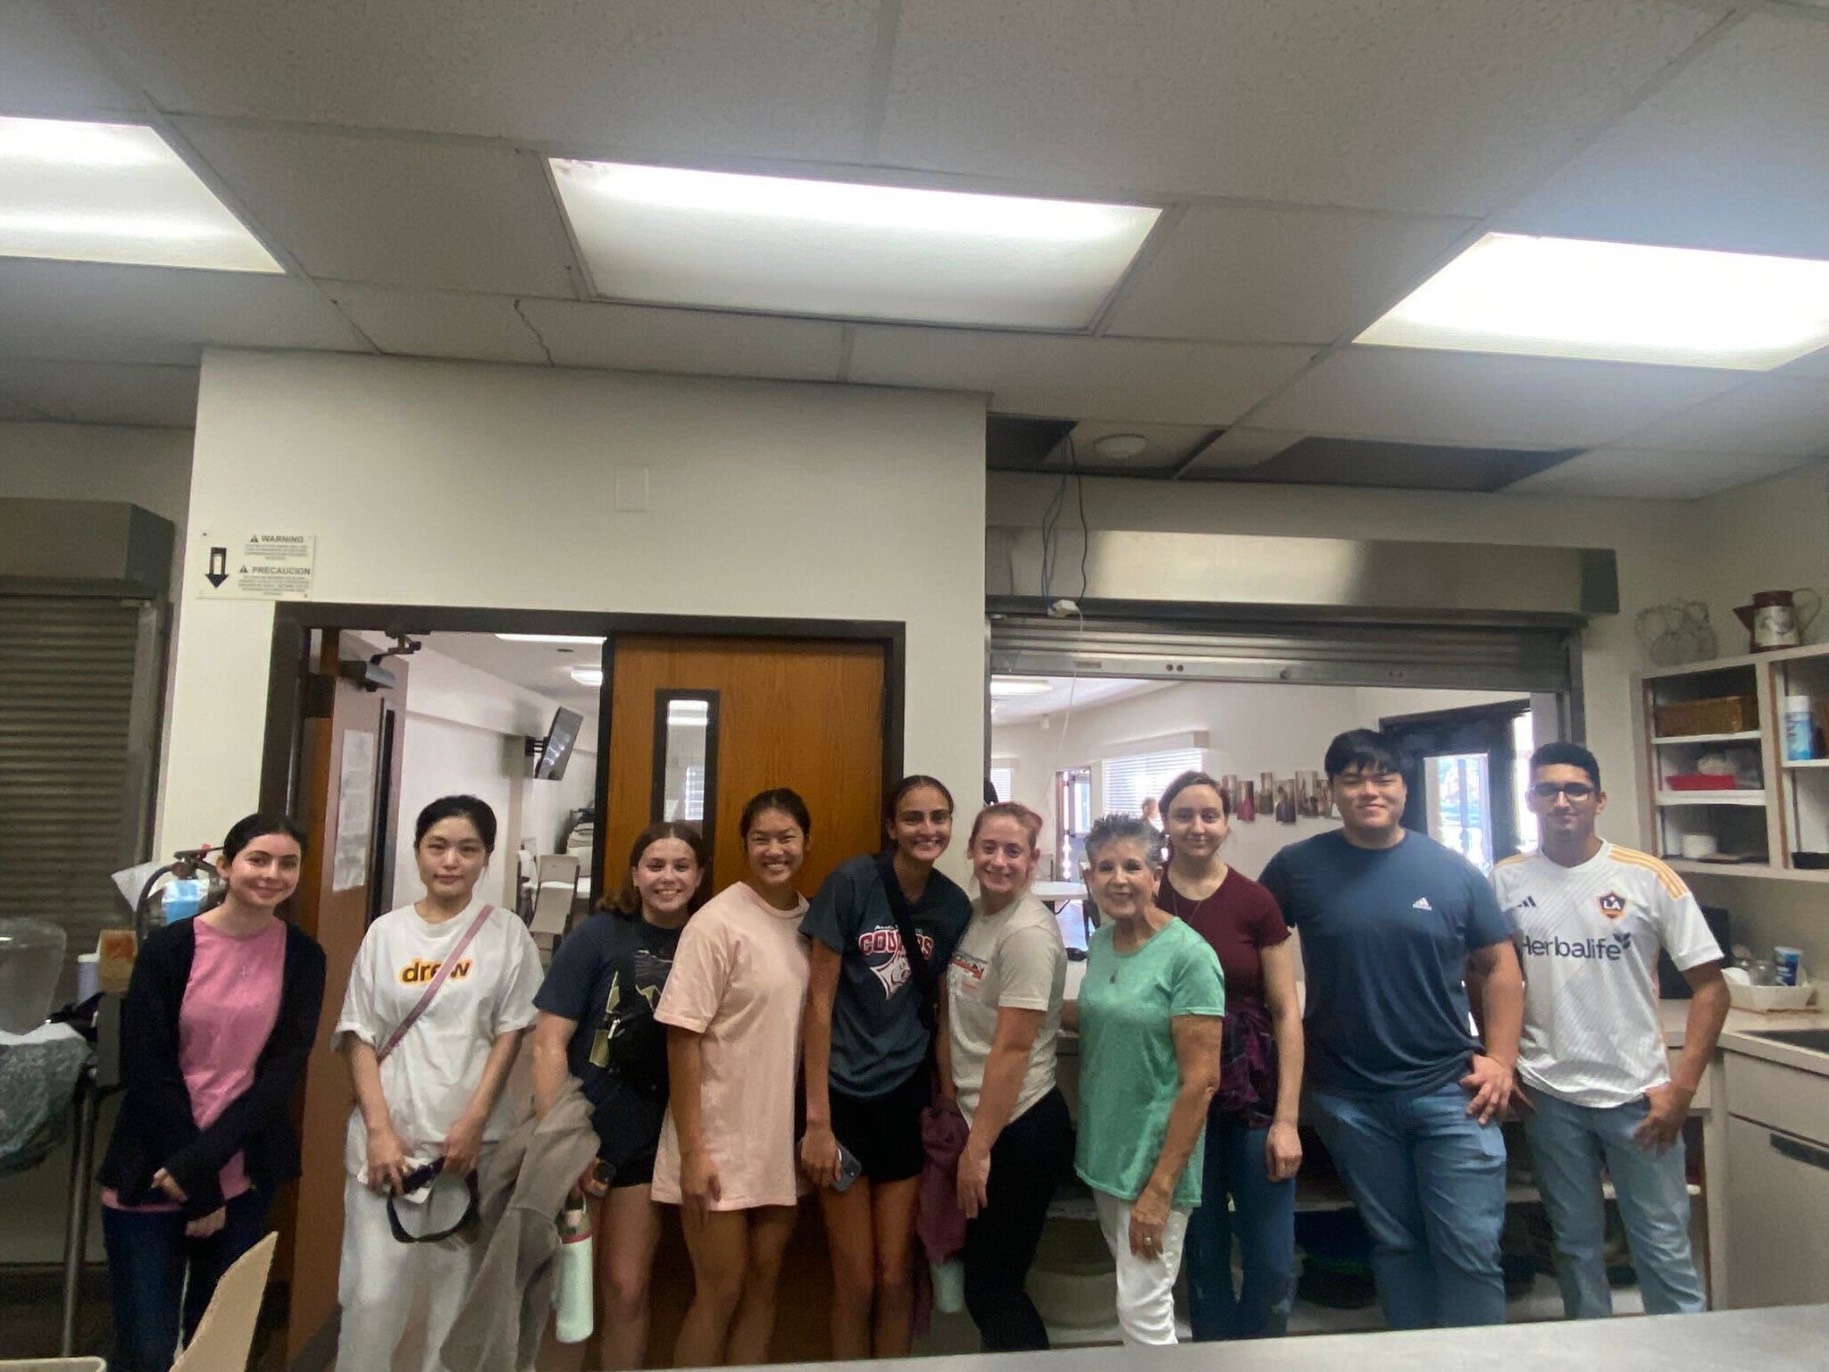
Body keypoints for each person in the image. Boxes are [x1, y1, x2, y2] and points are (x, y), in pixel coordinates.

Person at [1260, 729, 1524, 1331]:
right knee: (1397, 1245)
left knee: (1470, 1252)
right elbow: (1249, 937)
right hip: (1350, 1097)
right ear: (1333, 791)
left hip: (1451, 1092)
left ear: (1405, 788)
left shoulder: (1453, 871)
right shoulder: (1298, 868)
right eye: (1352, 779)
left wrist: (1502, 1059)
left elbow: (1500, 967)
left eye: (1383, 777)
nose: (1369, 790)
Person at [1492, 742, 1728, 1319]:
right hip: (1550, 1095)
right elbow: (1490, 977)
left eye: (1575, 789)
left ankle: (1686, 1360)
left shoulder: (1648, 878)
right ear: (1531, 801)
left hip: (1638, 1098)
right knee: (1573, 1250)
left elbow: (1711, 988)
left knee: (1664, 1252)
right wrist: (1502, 1059)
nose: (1562, 801)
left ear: (1599, 800)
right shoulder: (1504, 879)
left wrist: (1682, 1090)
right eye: (1547, 790)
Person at [99, 814, 327, 1372]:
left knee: (217, 1349)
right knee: (148, 1351)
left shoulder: (302, 957)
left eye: (287, 863)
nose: (272, 874)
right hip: (154, 1165)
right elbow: (148, 1068)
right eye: (258, 859)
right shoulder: (170, 949)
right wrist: (197, 1185)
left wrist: (208, 1172)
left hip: (243, 1171)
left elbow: (280, 1074)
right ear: (226, 866)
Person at [332, 795, 542, 1372]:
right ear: (418, 852)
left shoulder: (507, 936)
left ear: (487, 858)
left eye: (467, 850)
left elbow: (511, 1033)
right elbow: (359, 1034)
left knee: (458, 1303)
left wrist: (475, 1122)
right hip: (388, 1147)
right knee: (372, 1298)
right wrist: (378, 1131)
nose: (451, 861)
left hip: (469, 1151)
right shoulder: (386, 934)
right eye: (438, 847)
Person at [800, 775, 973, 1358]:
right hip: (842, 1100)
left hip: (904, 1098)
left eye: (939, 817)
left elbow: (942, 1008)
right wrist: (817, 1120)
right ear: (891, 826)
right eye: (914, 817)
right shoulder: (851, 883)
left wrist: (946, 1092)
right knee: (856, 1282)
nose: (928, 829)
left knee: (897, 1276)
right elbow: (818, 1003)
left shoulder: (952, 905)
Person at [529, 821, 708, 1370]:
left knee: (626, 1288)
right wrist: (562, 1143)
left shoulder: (707, 938)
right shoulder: (597, 936)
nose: (668, 877)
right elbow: (547, 1045)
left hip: (650, 1145)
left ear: (699, 876)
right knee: (568, 1296)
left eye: (681, 866)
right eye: (655, 865)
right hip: (583, 1134)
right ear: (635, 873)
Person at [652, 789, 813, 1368]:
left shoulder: (810, 922)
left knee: (765, 1289)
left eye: (786, 837)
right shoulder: (716, 922)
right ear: (745, 846)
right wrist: (694, 1152)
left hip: (778, 1143)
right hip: (714, 1142)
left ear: (805, 843)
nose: (774, 850)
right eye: (761, 839)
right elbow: (681, 1037)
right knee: (718, 1292)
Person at [1066, 812, 1225, 1346]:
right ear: (1089, 879)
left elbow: (1201, 1082)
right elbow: (1105, 1013)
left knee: (1143, 1311)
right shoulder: (1104, 942)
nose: (1118, 879)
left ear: (1156, 876)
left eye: (1132, 866)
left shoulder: (1189, 956)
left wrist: (1160, 1191)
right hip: (1106, 1154)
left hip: (1154, 1164)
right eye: (1105, 867)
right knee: (1134, 1297)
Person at [1157, 770, 1304, 1340]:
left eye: (1209, 815)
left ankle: (1261, 1352)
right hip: (1178, 1099)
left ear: (1226, 822)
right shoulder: (1147, 892)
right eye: (1184, 815)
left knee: (1271, 1261)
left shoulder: (1255, 900)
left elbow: (1285, 1012)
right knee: (1204, 1253)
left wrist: (1288, 1120)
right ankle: (1213, 1354)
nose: (1198, 827)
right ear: (1165, 823)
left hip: (1253, 1099)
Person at [947, 802, 1072, 1352]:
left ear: (1033, 860)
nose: (999, 861)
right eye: (989, 848)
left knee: (993, 1289)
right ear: (971, 851)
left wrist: (977, 1150)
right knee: (985, 1283)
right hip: (984, 1120)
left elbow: (1013, 1048)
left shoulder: (1026, 932)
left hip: (1017, 1128)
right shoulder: (976, 915)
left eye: (1013, 851)